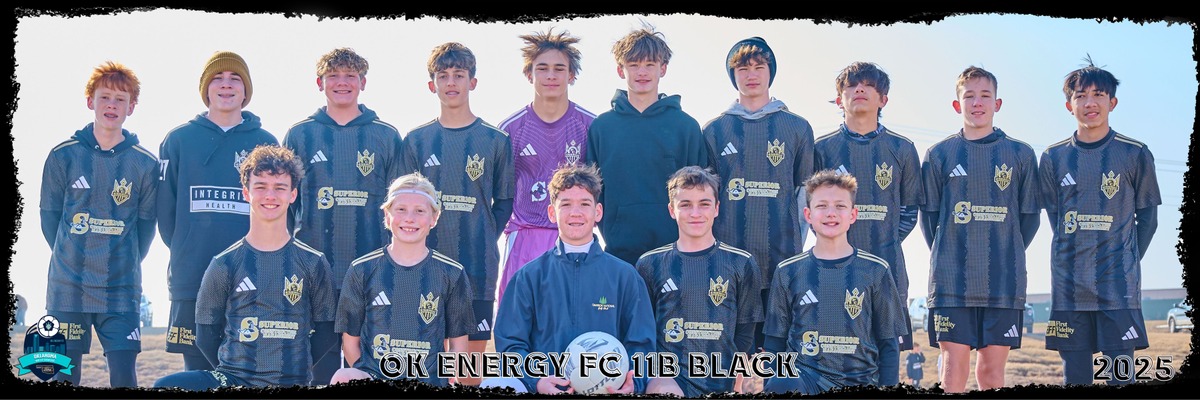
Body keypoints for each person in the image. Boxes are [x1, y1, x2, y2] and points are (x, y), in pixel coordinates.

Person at [153, 145, 337, 389]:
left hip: (291, 382)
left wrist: (293, 369)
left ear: (293, 195)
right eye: (260, 186)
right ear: (246, 193)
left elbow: (327, 331)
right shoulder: (224, 263)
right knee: (165, 385)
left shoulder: (313, 262)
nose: (270, 195)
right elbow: (206, 335)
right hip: (234, 380)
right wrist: (235, 372)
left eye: (279, 188)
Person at [492, 164, 681, 395]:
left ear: (598, 212)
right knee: (492, 385)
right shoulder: (528, 277)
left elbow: (640, 345)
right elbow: (511, 344)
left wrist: (633, 383)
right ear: (552, 212)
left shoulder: (625, 276)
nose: (575, 213)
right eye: (566, 204)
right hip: (547, 391)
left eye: (584, 204)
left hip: (607, 391)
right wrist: (537, 381)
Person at [282, 47, 406, 385]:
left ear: (362, 82)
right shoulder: (299, 134)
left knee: (369, 368)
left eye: (350, 75)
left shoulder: (386, 135)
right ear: (319, 83)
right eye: (333, 76)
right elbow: (284, 204)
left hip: (372, 272)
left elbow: (399, 205)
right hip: (314, 272)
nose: (342, 82)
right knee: (319, 369)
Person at [1039, 57, 1160, 386]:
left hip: (1118, 289)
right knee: (1075, 378)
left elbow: (1148, 219)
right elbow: (1057, 219)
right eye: (1080, 96)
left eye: (1098, 95)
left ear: (1112, 102)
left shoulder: (1135, 153)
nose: (1089, 103)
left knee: (1121, 376)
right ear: (1069, 106)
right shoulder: (1052, 157)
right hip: (1068, 288)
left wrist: (1126, 259)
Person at [919, 66, 1040, 392]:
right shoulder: (939, 155)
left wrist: (1006, 249)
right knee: (953, 370)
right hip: (951, 282)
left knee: (991, 373)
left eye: (985, 95)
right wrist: (950, 253)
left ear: (997, 104)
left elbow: (1030, 219)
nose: (977, 102)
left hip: (1003, 281)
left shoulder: (1021, 154)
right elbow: (929, 220)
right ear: (956, 105)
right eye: (969, 96)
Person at [400, 42, 514, 386]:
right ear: (431, 84)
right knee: (423, 364)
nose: (451, 82)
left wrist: (482, 236)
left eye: (459, 75)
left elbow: (504, 202)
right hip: (424, 267)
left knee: (469, 370)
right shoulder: (416, 140)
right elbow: (404, 203)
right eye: (443, 75)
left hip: (477, 267)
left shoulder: (495, 140)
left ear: (472, 82)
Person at [38, 61, 158, 387]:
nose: (111, 105)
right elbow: (49, 219)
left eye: (120, 99)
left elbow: (145, 228)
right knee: (63, 376)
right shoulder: (62, 156)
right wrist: (72, 254)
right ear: (90, 101)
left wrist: (121, 260)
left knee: (124, 377)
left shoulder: (144, 163)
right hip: (67, 288)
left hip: (121, 290)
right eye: (105, 97)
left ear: (131, 107)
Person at [158, 51, 278, 371]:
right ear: (206, 89)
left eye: (235, 78)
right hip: (192, 276)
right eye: (218, 78)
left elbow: (277, 211)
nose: (226, 85)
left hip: (251, 277)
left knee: (251, 371)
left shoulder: (266, 143)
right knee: (198, 373)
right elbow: (165, 213)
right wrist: (187, 246)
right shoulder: (179, 140)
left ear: (246, 90)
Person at [702, 36, 814, 354]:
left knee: (775, 355)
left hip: (781, 260)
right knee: (729, 354)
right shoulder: (714, 130)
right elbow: (706, 199)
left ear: (770, 72)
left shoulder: (797, 127)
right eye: (743, 68)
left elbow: (804, 192)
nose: (751, 74)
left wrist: (794, 242)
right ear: (733, 75)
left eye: (759, 67)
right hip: (727, 264)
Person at [762, 170, 907, 394]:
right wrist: (772, 386)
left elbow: (889, 345)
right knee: (783, 383)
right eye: (822, 206)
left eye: (840, 206)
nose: (831, 213)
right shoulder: (788, 271)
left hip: (860, 381)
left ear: (853, 214)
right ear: (808, 215)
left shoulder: (876, 270)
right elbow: (774, 342)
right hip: (805, 382)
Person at [813, 61, 922, 352]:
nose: (860, 89)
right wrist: (837, 244)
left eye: (869, 85)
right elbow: (812, 210)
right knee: (836, 355)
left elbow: (910, 211)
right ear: (840, 100)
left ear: (883, 99)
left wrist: (885, 239)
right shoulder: (821, 148)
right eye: (852, 85)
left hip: (889, 268)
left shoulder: (902, 148)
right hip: (833, 269)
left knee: (887, 359)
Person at [330, 173, 475, 386]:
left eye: (419, 211)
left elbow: (458, 347)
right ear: (387, 215)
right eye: (401, 209)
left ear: (434, 218)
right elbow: (350, 344)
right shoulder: (362, 269)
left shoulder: (452, 273)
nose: (409, 218)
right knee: (344, 377)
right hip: (376, 380)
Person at [584, 23, 708, 266]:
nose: (642, 72)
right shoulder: (602, 128)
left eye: (650, 64)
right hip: (619, 253)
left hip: (676, 254)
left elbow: (701, 192)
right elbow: (593, 192)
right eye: (633, 64)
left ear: (663, 69)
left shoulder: (685, 127)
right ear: (620, 70)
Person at [635, 166, 762, 396]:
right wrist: (658, 378)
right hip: (669, 380)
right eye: (685, 205)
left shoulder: (741, 263)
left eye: (704, 204)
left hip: (721, 382)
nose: (695, 213)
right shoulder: (650, 264)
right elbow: (644, 333)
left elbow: (745, 334)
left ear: (716, 208)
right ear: (672, 210)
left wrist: (738, 381)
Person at [496, 29, 595, 307]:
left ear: (571, 75)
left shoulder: (590, 126)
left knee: (571, 315)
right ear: (529, 74)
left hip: (573, 236)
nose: (551, 75)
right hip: (524, 235)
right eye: (542, 68)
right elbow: (500, 193)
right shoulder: (510, 129)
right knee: (517, 316)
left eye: (559, 68)